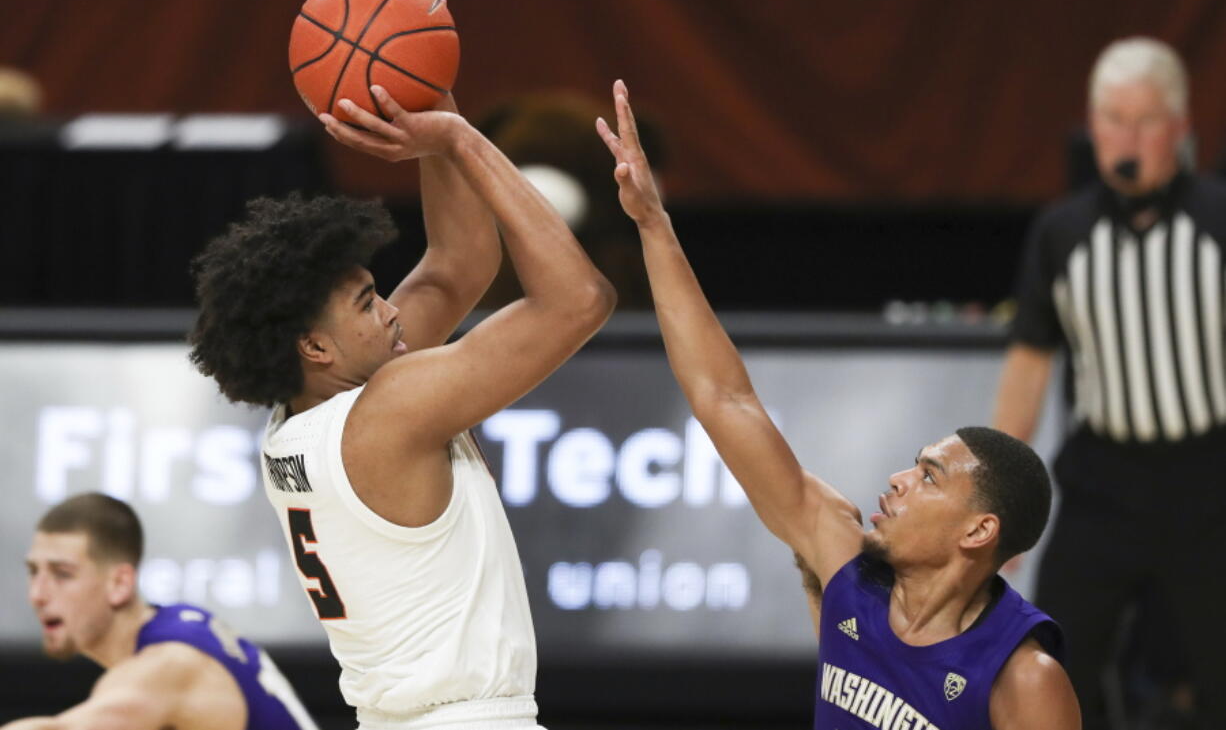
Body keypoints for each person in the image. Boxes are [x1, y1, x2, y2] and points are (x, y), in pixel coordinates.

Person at [596, 79, 1079, 730]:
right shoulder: (843, 556)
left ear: (978, 530)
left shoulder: (1024, 679)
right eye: (915, 464)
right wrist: (654, 224)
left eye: (930, 476)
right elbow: (723, 397)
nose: (900, 479)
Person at [188, 86, 615, 730]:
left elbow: (455, 266)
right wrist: (462, 141)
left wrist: (432, 102)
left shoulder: (299, 418)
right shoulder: (386, 411)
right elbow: (579, 299)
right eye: (366, 302)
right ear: (315, 344)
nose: (391, 310)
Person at [992, 37, 1226, 730]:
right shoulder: (1061, 234)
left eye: (1144, 119)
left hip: (1210, 480)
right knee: (1056, 660)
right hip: (1103, 483)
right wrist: (1003, 504)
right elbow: (1029, 364)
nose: (1125, 137)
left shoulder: (1218, 222)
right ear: (1091, 129)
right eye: (1110, 119)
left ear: (1180, 130)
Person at [6, 492, 316, 730]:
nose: (38, 595)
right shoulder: (180, 624)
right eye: (34, 572)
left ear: (120, 583)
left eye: (62, 574)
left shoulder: (167, 665)